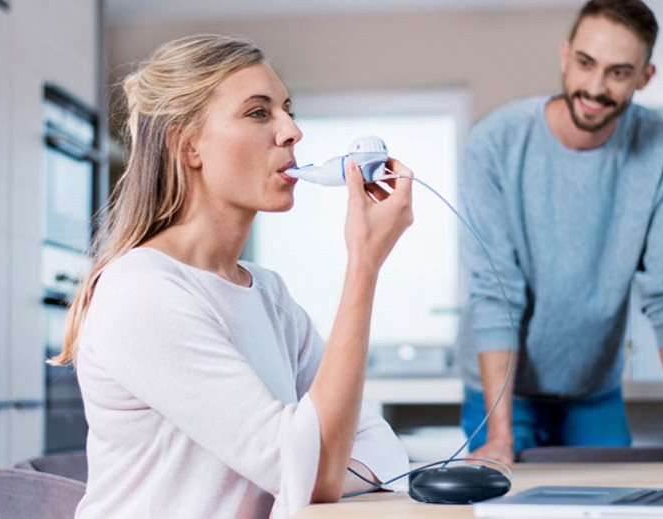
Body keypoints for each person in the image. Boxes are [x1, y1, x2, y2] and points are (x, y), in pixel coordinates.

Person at [49, 34, 417, 519]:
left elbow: (382, 453)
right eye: (259, 113)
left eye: (288, 109)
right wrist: (363, 264)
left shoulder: (267, 295)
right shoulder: (142, 294)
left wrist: (310, 471)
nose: (291, 131)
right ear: (188, 145)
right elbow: (317, 472)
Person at [458, 0, 663, 466]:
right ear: (564, 55)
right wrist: (499, 439)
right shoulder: (493, 143)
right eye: (585, 64)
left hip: (594, 389)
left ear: (645, 77)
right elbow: (495, 292)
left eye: (618, 73)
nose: (594, 88)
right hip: (501, 394)